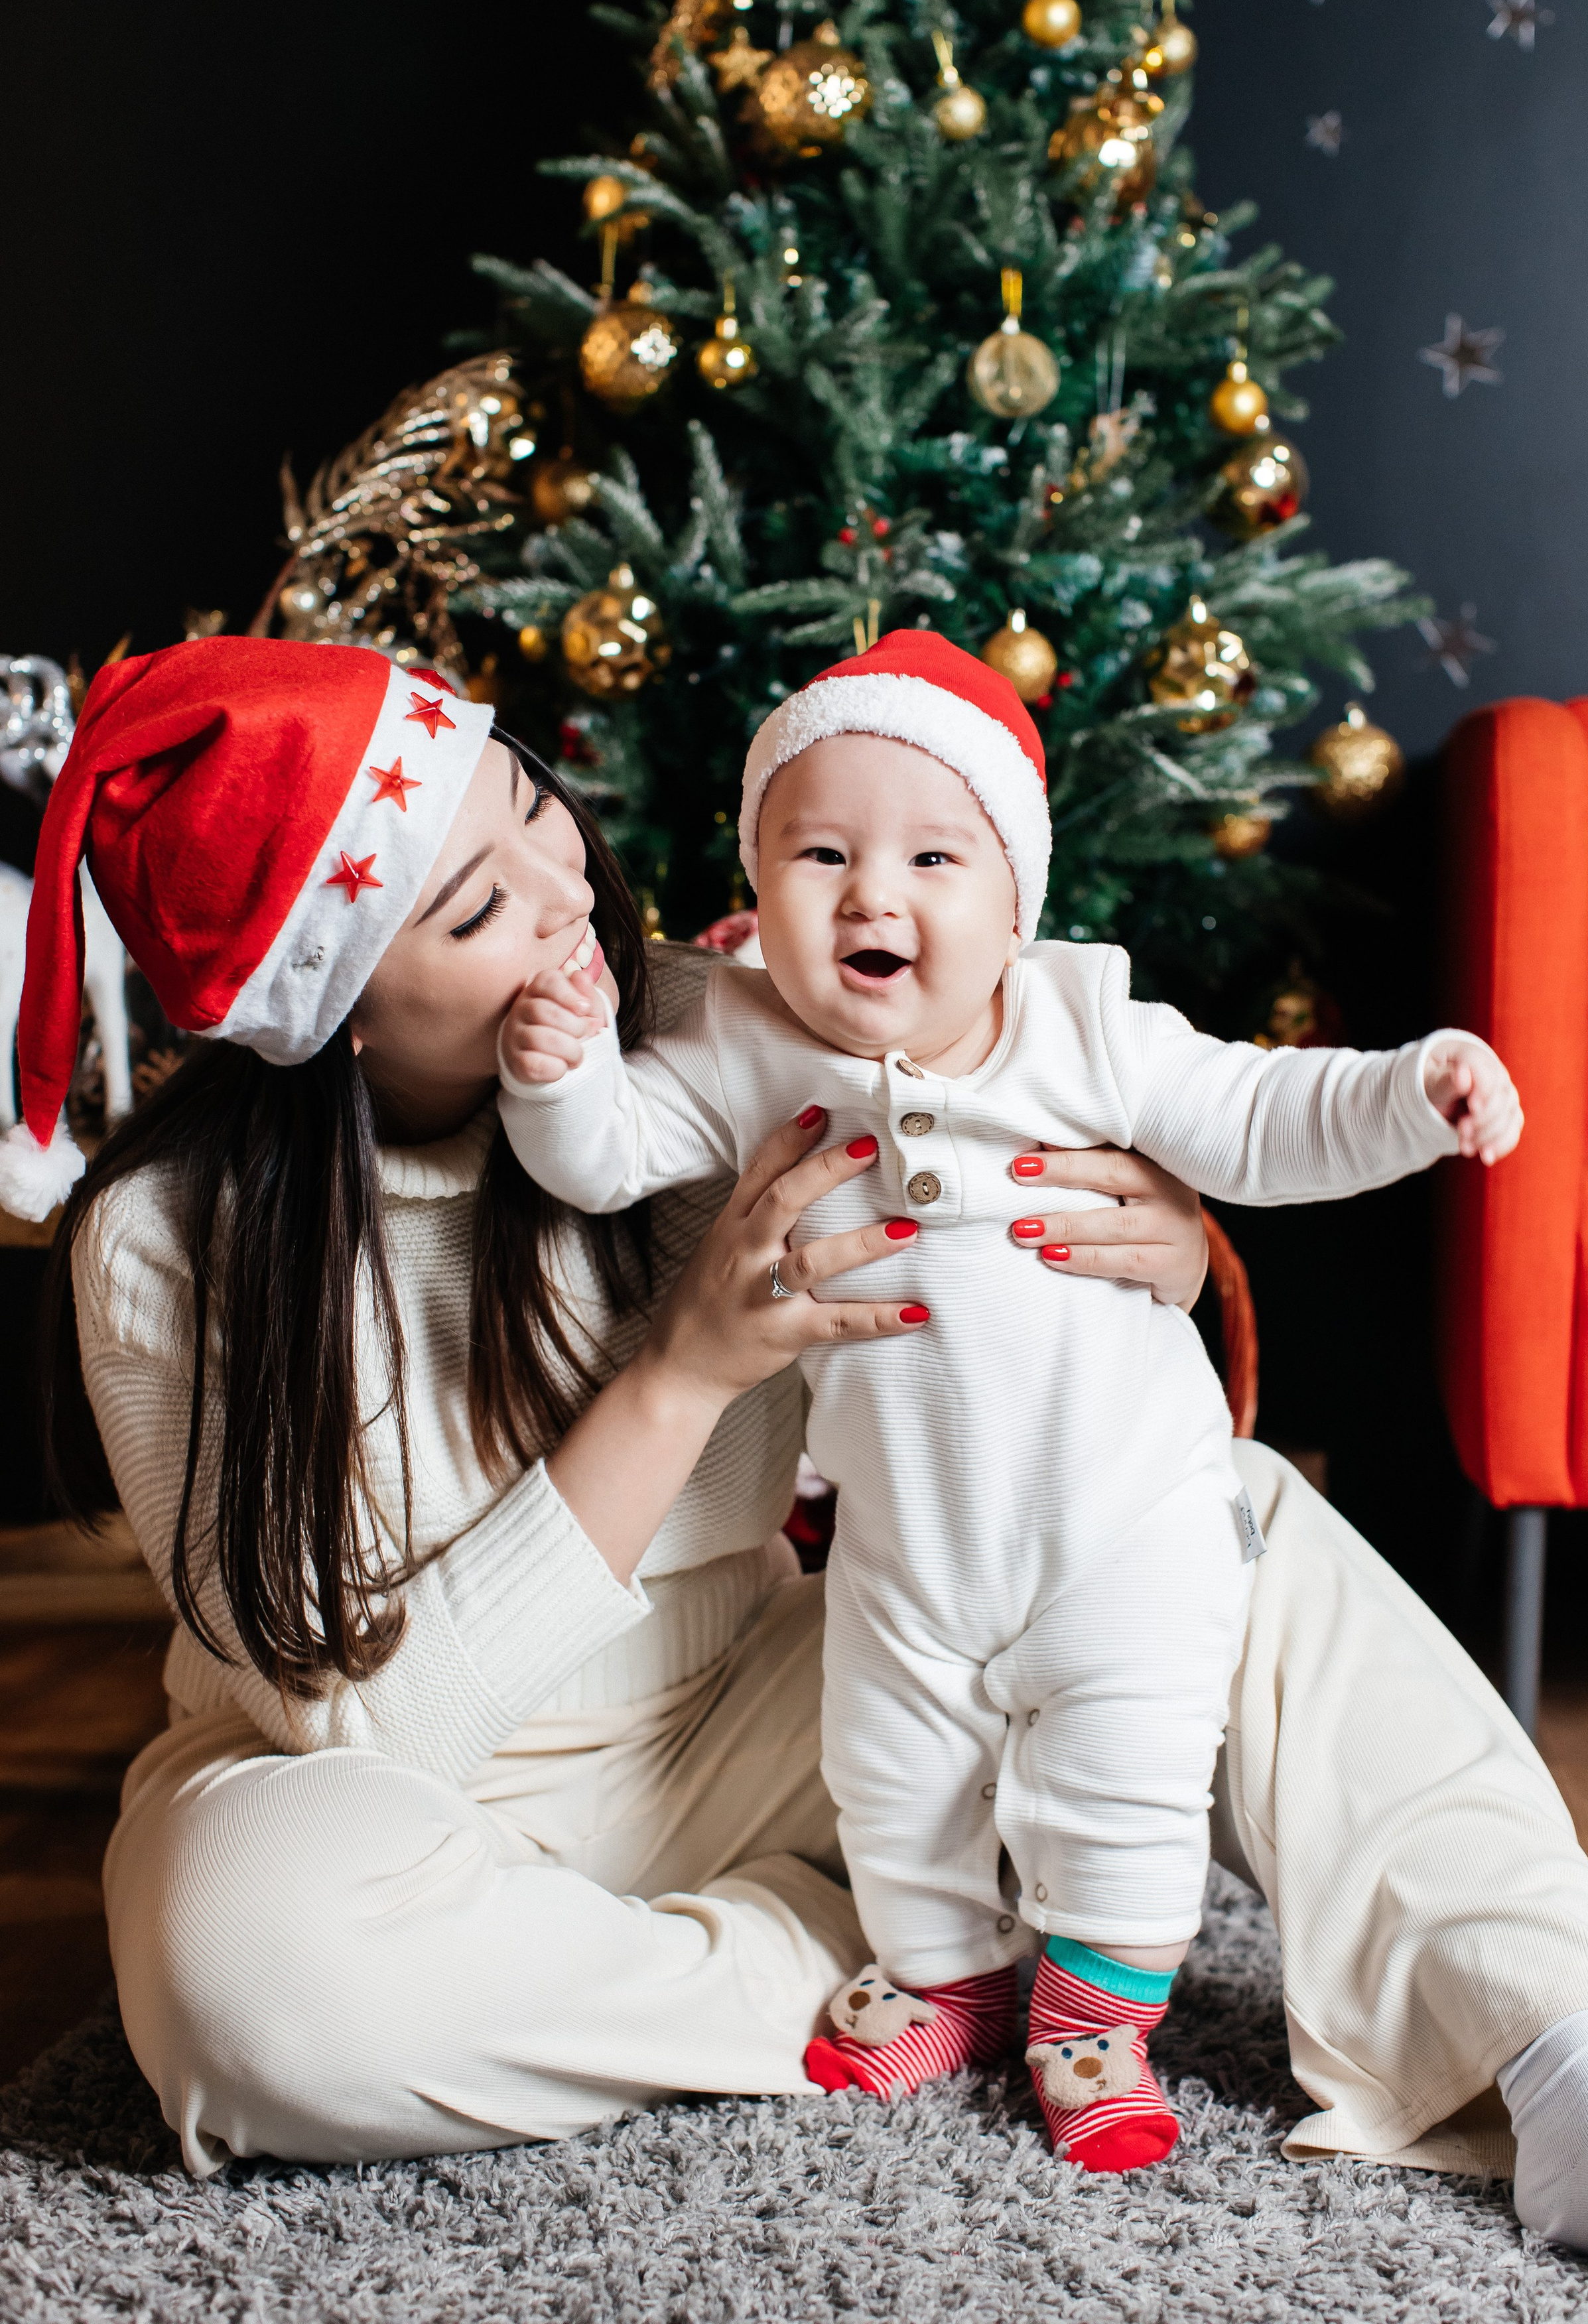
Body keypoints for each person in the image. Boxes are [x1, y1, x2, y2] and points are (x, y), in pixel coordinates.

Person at [6, 639, 1588, 2307]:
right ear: (334, 1013)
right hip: (398, 1802)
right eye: (472, 908)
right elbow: (358, 1724)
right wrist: (680, 1374)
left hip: (763, 1716)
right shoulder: (170, 1242)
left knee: (1217, 1524)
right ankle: (889, 1968)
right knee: (236, 1976)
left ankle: (1575, 2061)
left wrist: (1171, 1247)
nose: (564, 895)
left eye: (530, 805)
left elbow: (1037, 1213)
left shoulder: (719, 1020)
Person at [493, 630, 1522, 2171]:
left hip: (1123, 1520)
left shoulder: (1080, 1025)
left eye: (929, 858)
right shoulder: (736, 1037)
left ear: (1013, 901)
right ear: (756, 881)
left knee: (1125, 1787)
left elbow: (1258, 1114)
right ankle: (946, 1981)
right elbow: (603, 1156)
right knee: (888, 1774)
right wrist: (558, 1071)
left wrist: (1409, 1094)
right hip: (905, 1545)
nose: (869, 895)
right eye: (818, 852)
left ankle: (1093, 2023)